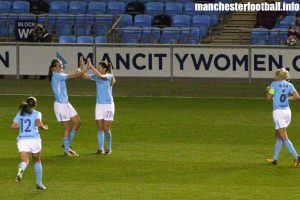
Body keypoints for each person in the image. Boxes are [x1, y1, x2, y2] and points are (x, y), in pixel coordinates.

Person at [48, 57, 88, 156]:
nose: (61, 66)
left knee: (77, 122)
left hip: (66, 103)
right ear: (53, 68)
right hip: (61, 105)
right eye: (58, 65)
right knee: (67, 127)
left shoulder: (59, 74)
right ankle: (67, 150)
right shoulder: (57, 75)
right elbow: (75, 75)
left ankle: (67, 145)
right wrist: (86, 69)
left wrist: (80, 67)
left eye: (61, 64)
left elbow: (74, 76)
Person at [11, 97, 48, 190]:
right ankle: (39, 184)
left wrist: (21, 124)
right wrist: (44, 127)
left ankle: (21, 170)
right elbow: (38, 123)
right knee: (36, 160)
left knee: (24, 161)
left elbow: (13, 126)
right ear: (35, 104)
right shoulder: (37, 113)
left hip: (22, 140)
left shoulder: (20, 113)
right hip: (34, 139)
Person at [266, 68, 300, 166]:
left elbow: (268, 98)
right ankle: (275, 159)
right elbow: (297, 97)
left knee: (283, 136)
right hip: (287, 112)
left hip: (278, 112)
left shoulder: (274, 84)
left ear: (277, 75)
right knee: (278, 135)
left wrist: (268, 91)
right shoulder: (289, 85)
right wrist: (287, 97)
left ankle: (297, 157)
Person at [84, 58, 116, 155]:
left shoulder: (109, 76)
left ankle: (109, 147)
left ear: (105, 69)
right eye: (97, 67)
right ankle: (100, 148)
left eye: (99, 67)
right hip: (99, 105)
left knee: (106, 128)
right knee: (100, 127)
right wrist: (85, 68)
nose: (98, 68)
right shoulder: (96, 76)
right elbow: (84, 76)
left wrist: (91, 66)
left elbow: (101, 76)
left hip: (108, 105)